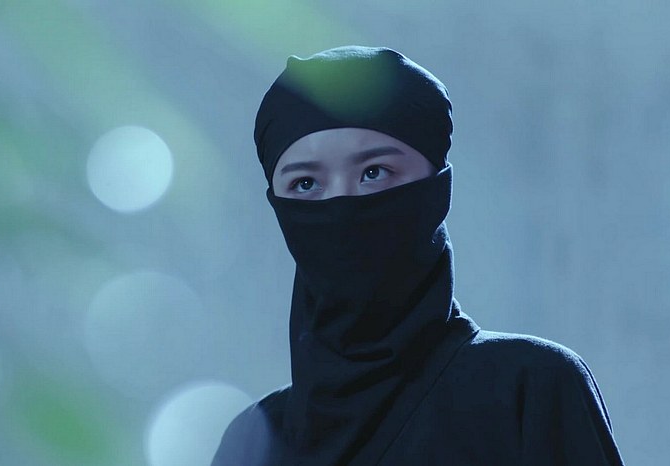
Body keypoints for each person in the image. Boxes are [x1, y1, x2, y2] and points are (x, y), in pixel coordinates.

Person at [212, 45, 624, 465]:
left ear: (436, 188)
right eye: (305, 183)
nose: (342, 205)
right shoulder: (253, 440)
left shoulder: (528, 387)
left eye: (374, 172)